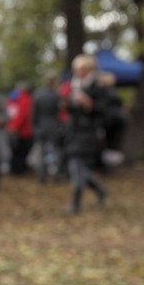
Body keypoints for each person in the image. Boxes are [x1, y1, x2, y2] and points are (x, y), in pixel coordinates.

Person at [65, 54, 107, 214]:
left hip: (89, 133)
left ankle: (75, 203)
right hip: (74, 132)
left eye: (80, 69)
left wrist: (89, 104)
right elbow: (70, 109)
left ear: (87, 69)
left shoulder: (98, 87)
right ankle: (99, 190)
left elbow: (104, 111)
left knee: (77, 166)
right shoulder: (75, 86)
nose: (77, 72)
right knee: (77, 167)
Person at [32, 73, 61, 183]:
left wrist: (35, 127)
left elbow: (34, 114)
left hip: (41, 126)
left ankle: (42, 176)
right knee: (54, 152)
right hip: (53, 126)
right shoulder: (56, 95)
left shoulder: (37, 95)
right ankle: (56, 175)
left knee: (42, 152)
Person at [6, 82, 33, 176]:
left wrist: (10, 126)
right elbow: (22, 115)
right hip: (22, 131)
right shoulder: (25, 99)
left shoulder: (11, 99)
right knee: (21, 152)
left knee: (15, 152)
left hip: (12, 129)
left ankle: (15, 169)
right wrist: (14, 127)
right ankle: (18, 170)